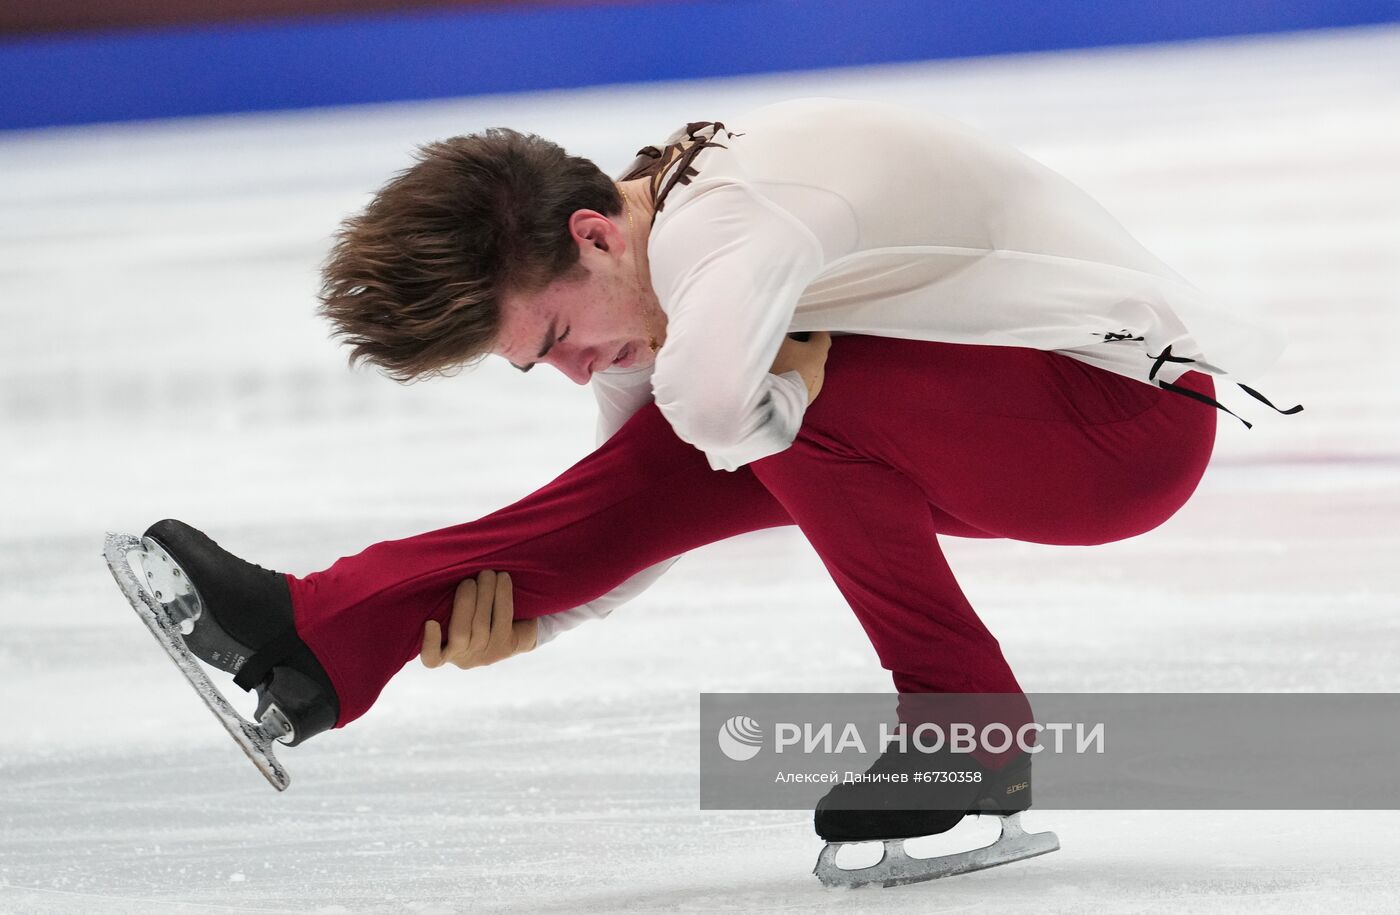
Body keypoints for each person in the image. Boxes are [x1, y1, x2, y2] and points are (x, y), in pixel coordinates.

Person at [122, 98, 1298, 870]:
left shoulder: (718, 229)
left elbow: (724, 413)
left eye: (553, 338)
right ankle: (327, 636)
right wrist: (526, 617)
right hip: (1009, 429)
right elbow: (645, 496)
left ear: (590, 234)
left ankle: (965, 726)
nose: (573, 368)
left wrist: (743, 417)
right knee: (730, 418)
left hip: (1118, 423)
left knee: (763, 393)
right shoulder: (654, 267)